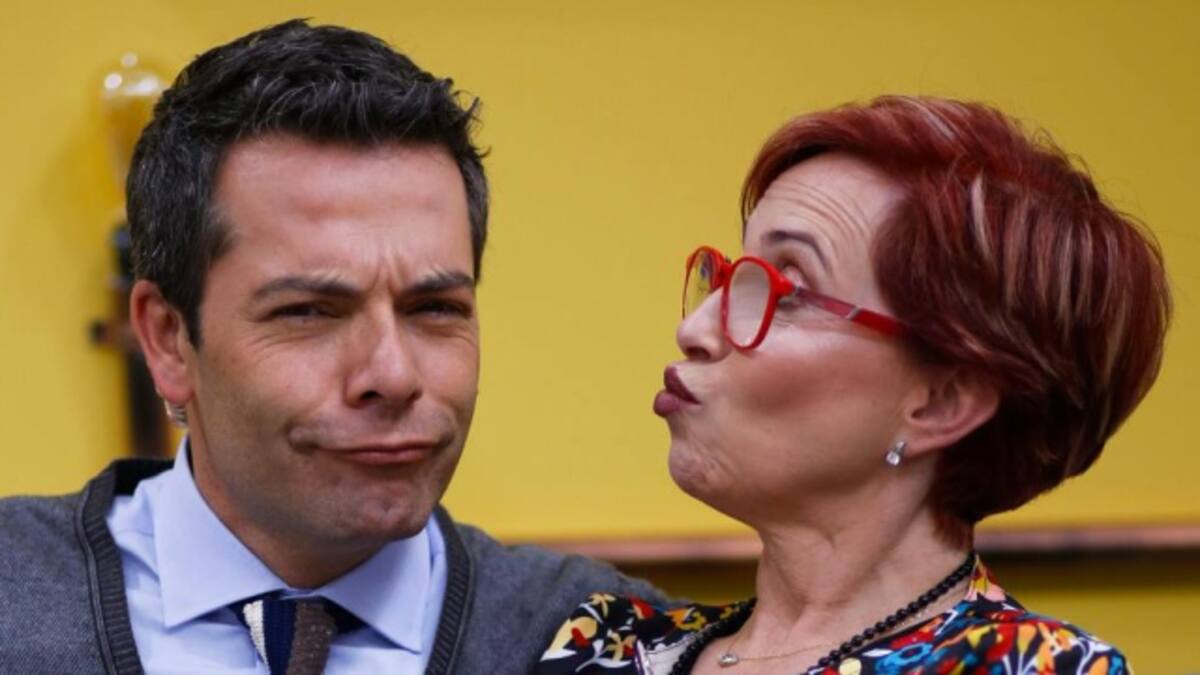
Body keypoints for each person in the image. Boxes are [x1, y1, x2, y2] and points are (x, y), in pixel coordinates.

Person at [0, 19, 665, 675]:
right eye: (309, 312)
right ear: (169, 340)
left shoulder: (608, 641)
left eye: (434, 308)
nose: (394, 374)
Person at [537, 96, 1169, 674]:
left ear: (942, 402)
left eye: (787, 292)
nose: (696, 329)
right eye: (727, 277)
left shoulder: (1029, 668)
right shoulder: (607, 647)